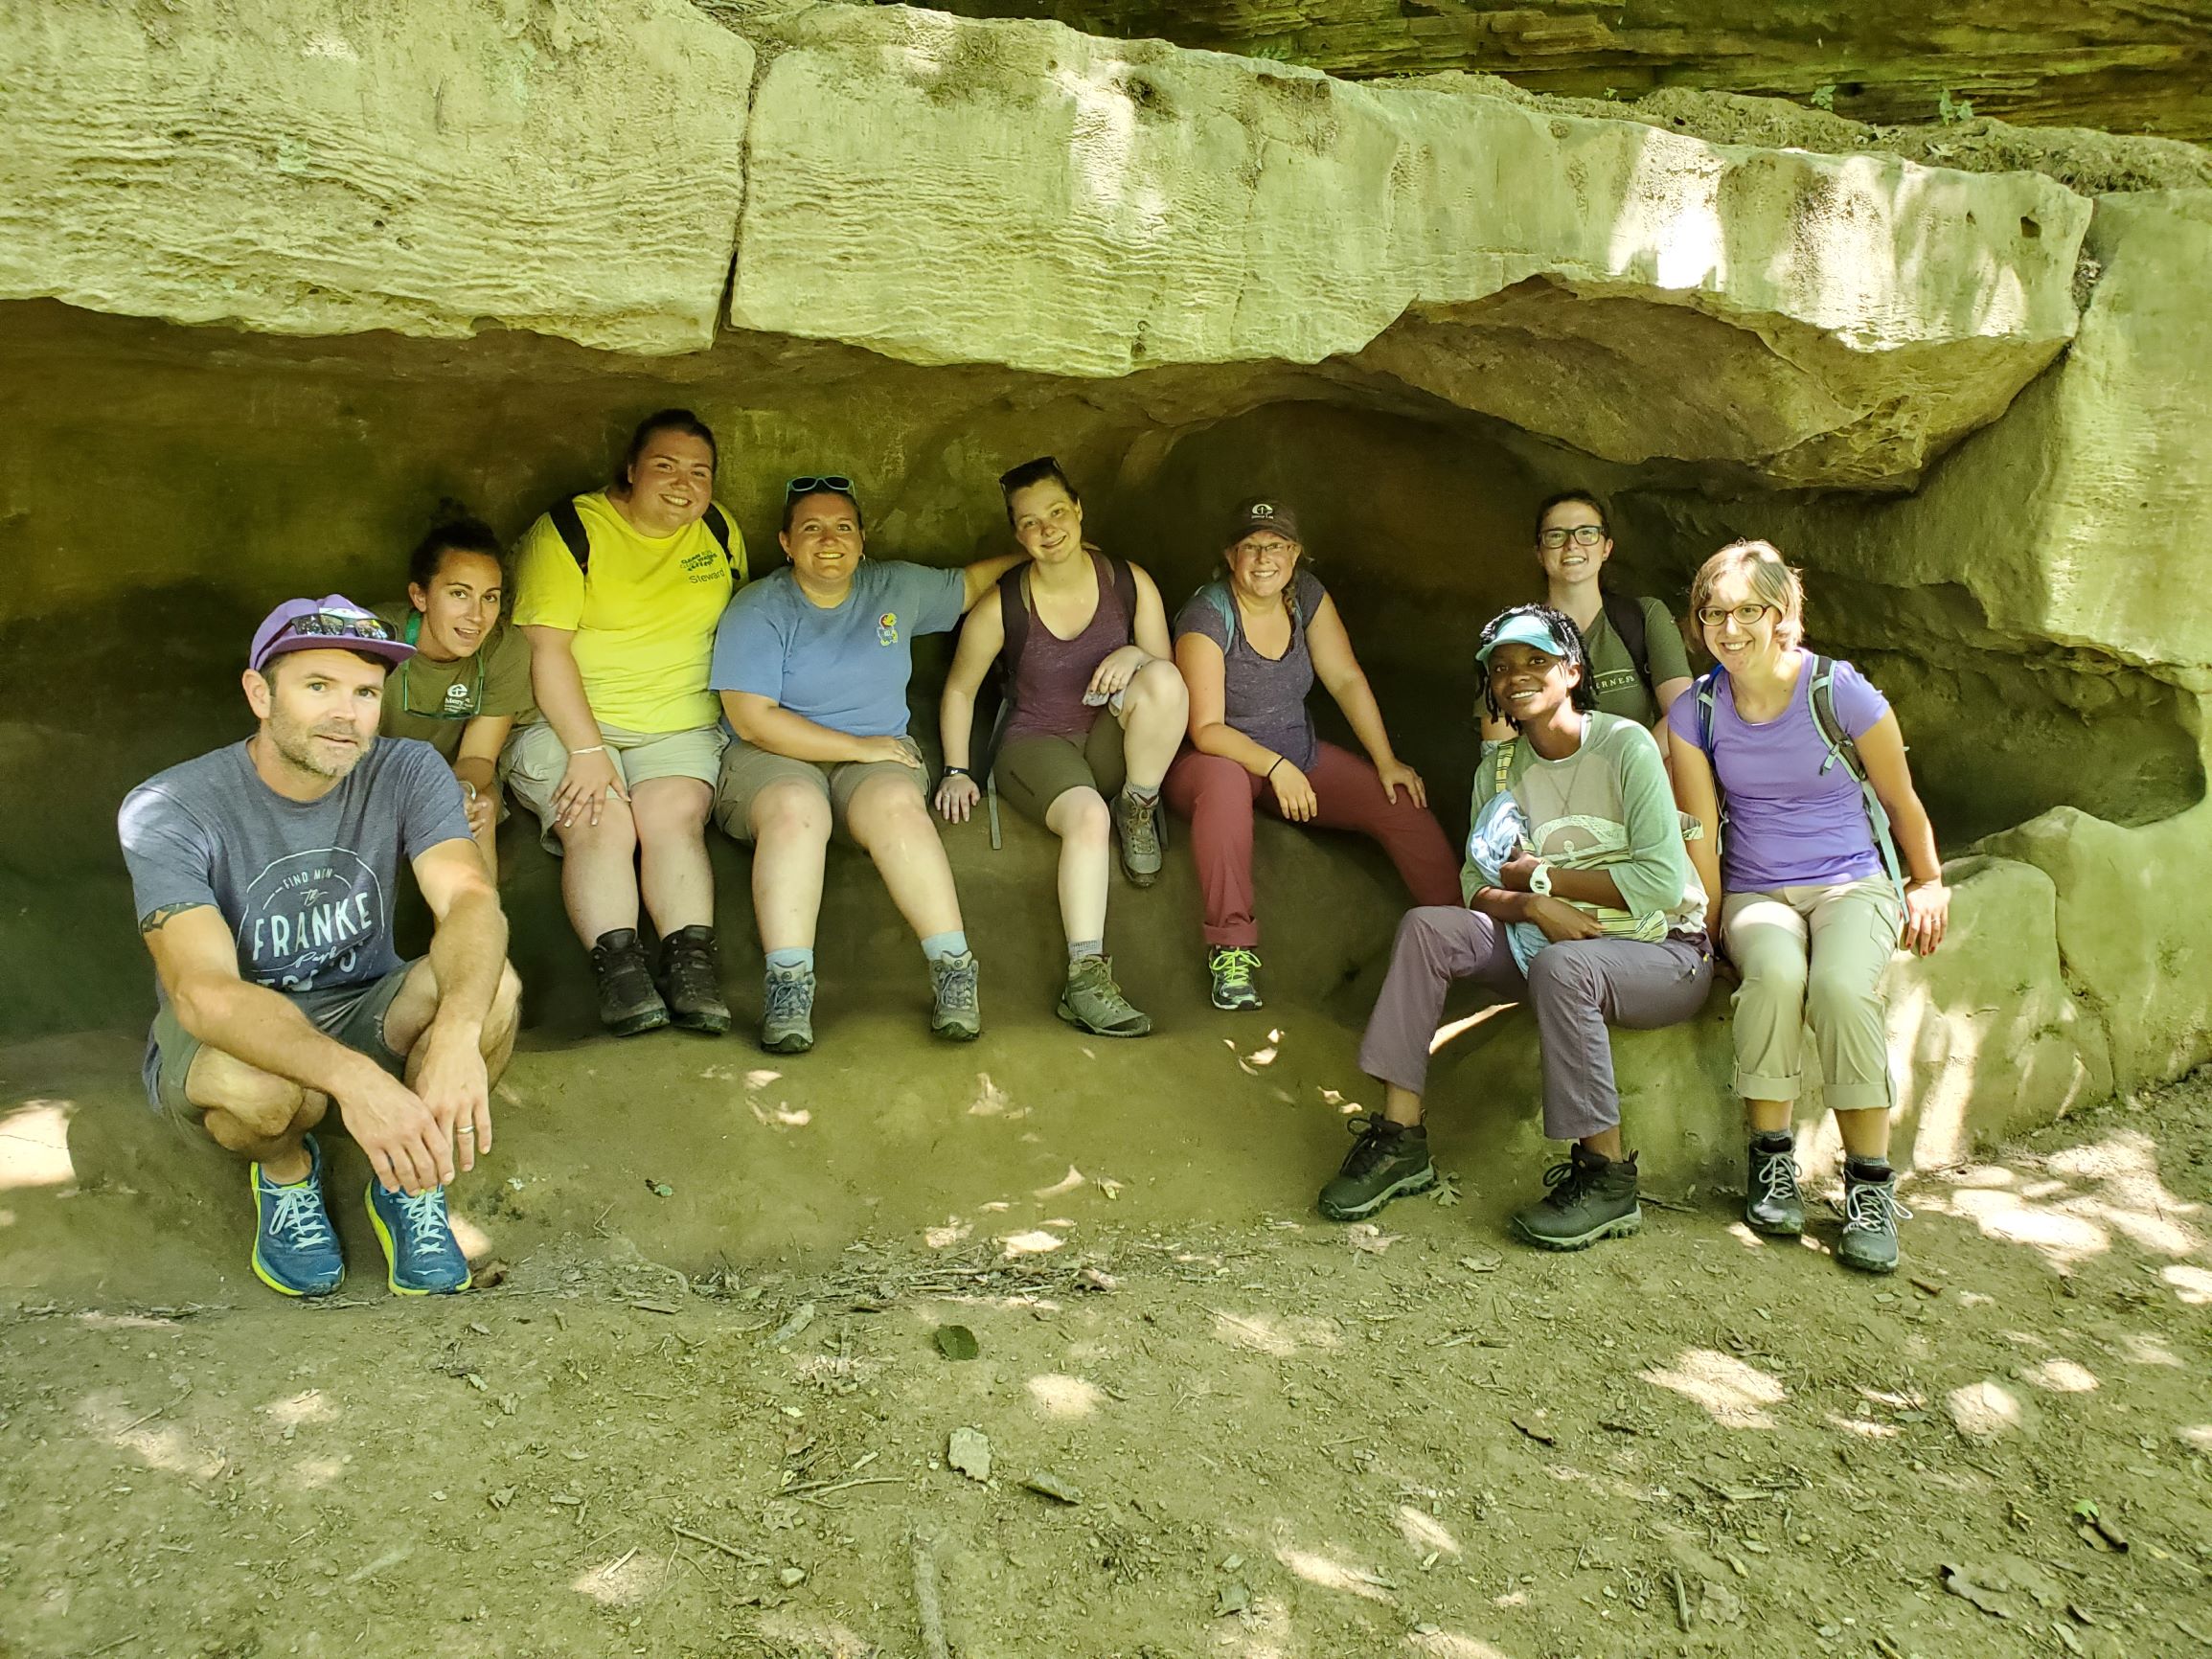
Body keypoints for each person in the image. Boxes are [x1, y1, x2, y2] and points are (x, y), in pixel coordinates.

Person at [117, 597, 522, 1298]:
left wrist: (456, 1033)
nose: (348, 714)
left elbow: (468, 900)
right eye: (318, 687)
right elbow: (203, 993)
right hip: (242, 1029)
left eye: (366, 692)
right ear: (257, 692)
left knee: (494, 992)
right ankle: (286, 1174)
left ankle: (410, 1181)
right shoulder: (172, 805)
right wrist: (358, 1080)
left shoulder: (407, 769)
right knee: (262, 1094)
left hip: (364, 1003)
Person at [1324, 605, 1714, 1248]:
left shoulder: (1624, 746)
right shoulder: (1499, 770)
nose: (1516, 676)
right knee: (1428, 926)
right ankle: (1399, 1140)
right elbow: (1474, 886)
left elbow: (1658, 884)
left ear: (1572, 670)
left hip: (1661, 951)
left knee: (1567, 967)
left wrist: (1540, 881)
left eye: (1535, 661)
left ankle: (1607, 1177)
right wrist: (1534, 906)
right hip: (1541, 939)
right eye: (1501, 668)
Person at [1666, 539, 1950, 1275]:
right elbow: (1697, 824)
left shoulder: (1836, 691)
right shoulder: (1694, 708)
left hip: (1852, 879)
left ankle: (1868, 1187)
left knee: (1837, 988)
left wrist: (1927, 881)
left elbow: (1899, 798)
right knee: (1773, 977)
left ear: (1783, 613)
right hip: (1756, 887)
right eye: (1713, 613)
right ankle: (1770, 1162)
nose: (1729, 629)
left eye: (1747, 611)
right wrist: (1709, 924)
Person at [710, 475, 1023, 1053]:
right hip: (772, 760)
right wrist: (857, 747)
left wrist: (1044, 548)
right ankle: (789, 984)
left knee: (898, 807)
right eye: (811, 528)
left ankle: (954, 969)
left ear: (862, 538)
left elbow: (973, 583)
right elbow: (753, 719)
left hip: (873, 759)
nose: (829, 540)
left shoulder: (894, 586)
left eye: (843, 527)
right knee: (797, 809)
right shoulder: (760, 606)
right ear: (784, 542)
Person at [1166, 498, 1460, 1011]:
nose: (1264, 559)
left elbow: (1344, 677)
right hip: (1212, 762)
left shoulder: (1304, 596)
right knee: (1226, 785)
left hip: (1295, 754)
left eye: (1276, 546)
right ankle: (1232, 952)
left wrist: (1386, 759)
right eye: (1251, 547)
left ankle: (1467, 932)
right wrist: (1275, 768)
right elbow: (1206, 728)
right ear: (1230, 555)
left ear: (1296, 553)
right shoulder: (1208, 614)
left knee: (1399, 803)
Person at [507, 409, 747, 1037]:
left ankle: (690, 968)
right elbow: (544, 650)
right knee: (601, 815)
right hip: (569, 724)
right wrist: (587, 750)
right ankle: (621, 973)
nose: (683, 484)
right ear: (631, 471)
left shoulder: (718, 531)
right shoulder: (570, 532)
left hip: (678, 724)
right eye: (665, 466)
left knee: (670, 817)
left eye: (700, 472)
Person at [934, 458, 1186, 1037]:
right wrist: (955, 768)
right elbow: (960, 688)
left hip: (1106, 737)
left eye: (1056, 513)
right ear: (1017, 536)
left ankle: (1140, 803)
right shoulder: (1004, 604)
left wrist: (1135, 655)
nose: (1047, 530)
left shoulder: (1127, 580)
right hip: (1036, 743)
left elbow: (1167, 679)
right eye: (1029, 523)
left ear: (1079, 512)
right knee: (1088, 817)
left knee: (1164, 681)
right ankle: (1085, 978)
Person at [374, 514, 534, 876]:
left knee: (480, 810)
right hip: (370, 779)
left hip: (451, 774)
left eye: (489, 598)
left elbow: (478, 756)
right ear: (420, 596)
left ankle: (476, 931)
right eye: (459, 594)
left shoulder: (503, 648)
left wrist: (457, 792)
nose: (476, 616)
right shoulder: (375, 639)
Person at [1479, 491, 1693, 745]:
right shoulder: (1513, 634)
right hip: (1546, 780)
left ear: (1606, 548)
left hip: (1634, 778)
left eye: (1587, 532)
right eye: (1556, 535)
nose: (1572, 545)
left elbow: (1683, 714)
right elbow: (1500, 744)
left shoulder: (1643, 617)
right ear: (1539, 552)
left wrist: (1632, 770)